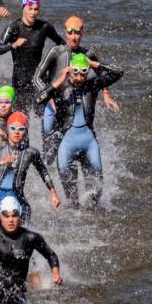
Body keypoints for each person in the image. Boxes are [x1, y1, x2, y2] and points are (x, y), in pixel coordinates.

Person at [35, 53, 124, 207]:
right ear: (70, 70)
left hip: (89, 143)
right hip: (66, 145)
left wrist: (94, 64)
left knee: (96, 193)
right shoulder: (60, 87)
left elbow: (118, 72)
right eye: (75, 71)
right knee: (72, 200)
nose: (79, 76)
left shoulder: (93, 85)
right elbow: (38, 100)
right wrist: (57, 82)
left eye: (83, 72)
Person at [32, 15, 120, 163]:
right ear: (65, 32)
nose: (74, 37)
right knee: (48, 155)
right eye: (70, 33)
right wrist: (49, 98)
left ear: (82, 32)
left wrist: (106, 94)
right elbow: (36, 78)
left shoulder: (88, 55)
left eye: (77, 33)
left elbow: (102, 76)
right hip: (53, 102)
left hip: (73, 104)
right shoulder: (56, 52)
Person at [0, 111, 60, 230]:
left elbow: (43, 172)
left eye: (21, 129)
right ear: (8, 129)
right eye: (13, 128)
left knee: (24, 233)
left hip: (18, 196)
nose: (16, 132)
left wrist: (53, 193)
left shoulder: (31, 152)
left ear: (26, 131)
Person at [0, 0, 64, 113]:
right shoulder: (14, 27)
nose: (33, 12)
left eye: (36, 9)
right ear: (23, 8)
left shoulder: (45, 27)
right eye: (30, 9)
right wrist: (13, 45)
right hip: (20, 81)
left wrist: (56, 69)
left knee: (42, 114)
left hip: (38, 79)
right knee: (22, 117)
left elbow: (62, 45)